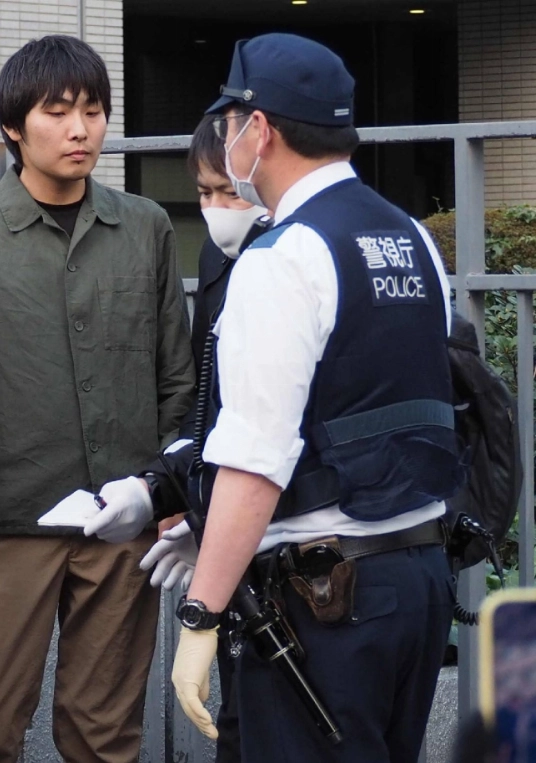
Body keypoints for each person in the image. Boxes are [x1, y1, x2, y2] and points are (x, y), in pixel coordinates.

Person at [157, 34, 461, 762]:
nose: (227, 138)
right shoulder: (412, 238)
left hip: (326, 597)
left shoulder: (283, 256)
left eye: (231, 122)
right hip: (418, 577)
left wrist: (201, 614)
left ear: (258, 130)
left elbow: (255, 460)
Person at [0, 35, 194, 763]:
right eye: (58, 112)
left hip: (121, 517)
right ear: (14, 126)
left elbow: (176, 374)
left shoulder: (145, 226)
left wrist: (171, 487)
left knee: (105, 737)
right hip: (5, 520)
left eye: (93, 112)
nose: (80, 130)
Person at [138, 113, 271, 763]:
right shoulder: (219, 254)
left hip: (292, 533)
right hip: (229, 518)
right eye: (204, 193)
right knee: (242, 718)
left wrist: (203, 604)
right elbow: (205, 394)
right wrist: (171, 487)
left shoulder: (296, 257)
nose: (217, 209)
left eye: (231, 192)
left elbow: (264, 435)